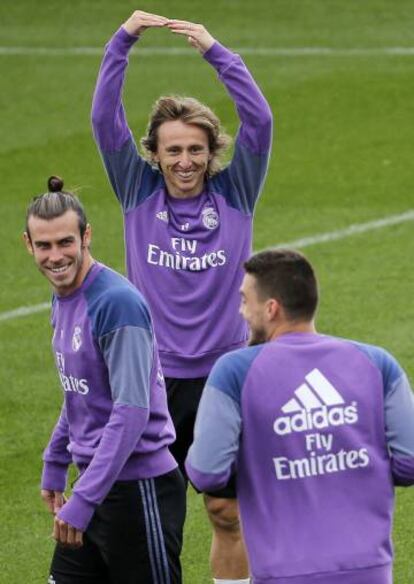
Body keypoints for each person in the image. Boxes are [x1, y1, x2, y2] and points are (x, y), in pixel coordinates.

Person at [91, 10, 273, 583]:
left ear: (210, 150)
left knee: (225, 509)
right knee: (151, 518)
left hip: (223, 378)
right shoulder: (136, 191)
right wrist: (121, 42)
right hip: (151, 382)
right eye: (172, 151)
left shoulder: (236, 192)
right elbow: (104, 119)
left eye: (195, 149)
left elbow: (260, 120)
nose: (185, 162)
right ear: (155, 154)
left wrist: (217, 51)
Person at [186, 248, 414, 584]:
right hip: (369, 572)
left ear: (271, 308)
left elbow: (207, 471)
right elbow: (409, 462)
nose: (241, 311)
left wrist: (262, 472)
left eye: (245, 300)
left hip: (282, 574)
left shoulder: (234, 371)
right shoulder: (378, 363)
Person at [24, 176, 186, 584]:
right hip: (96, 483)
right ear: (29, 244)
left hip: (137, 489)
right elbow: (81, 391)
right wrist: (55, 459)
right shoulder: (64, 297)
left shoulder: (116, 303)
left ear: (86, 236)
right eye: (44, 245)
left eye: (65, 242)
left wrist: (84, 498)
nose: (55, 256)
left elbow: (131, 410)